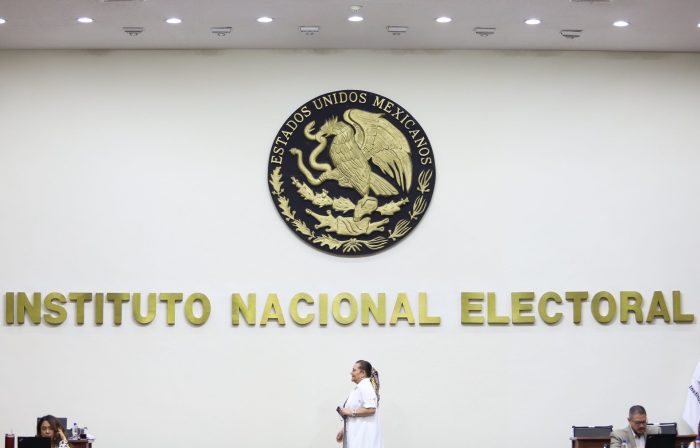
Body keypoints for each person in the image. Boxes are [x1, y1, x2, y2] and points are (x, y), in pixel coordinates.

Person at [336, 360, 383, 448]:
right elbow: (359, 413)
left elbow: (371, 409)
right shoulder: (361, 387)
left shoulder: (366, 386)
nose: (351, 373)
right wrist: (344, 430)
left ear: (362, 373)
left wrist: (351, 412)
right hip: (358, 438)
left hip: (364, 440)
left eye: (354, 370)